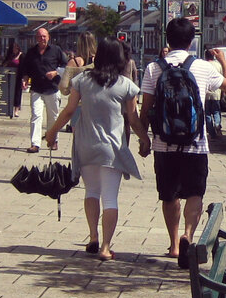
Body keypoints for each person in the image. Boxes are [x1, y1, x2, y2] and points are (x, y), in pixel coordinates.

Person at [44, 39, 151, 261]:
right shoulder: (126, 85)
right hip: (112, 149)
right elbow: (133, 118)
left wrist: (52, 131)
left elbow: (68, 110)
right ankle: (105, 246)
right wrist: (145, 139)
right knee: (110, 198)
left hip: (85, 145)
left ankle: (92, 237)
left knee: (91, 192)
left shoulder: (82, 80)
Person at [139, 18, 226, 258]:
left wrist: (144, 139)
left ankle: (173, 245)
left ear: (167, 39)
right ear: (191, 41)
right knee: (195, 193)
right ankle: (188, 236)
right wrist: (222, 60)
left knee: (169, 194)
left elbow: (146, 109)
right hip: (196, 144)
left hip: (164, 143)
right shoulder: (202, 67)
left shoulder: (154, 68)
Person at [20, 27, 67, 153]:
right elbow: (26, 69)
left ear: (48, 37)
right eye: (40, 36)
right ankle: (35, 143)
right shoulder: (31, 52)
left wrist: (56, 72)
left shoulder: (56, 50)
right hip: (36, 88)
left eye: (44, 36)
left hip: (52, 88)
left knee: (53, 117)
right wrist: (25, 79)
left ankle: (53, 141)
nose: (42, 39)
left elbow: (65, 66)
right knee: (36, 115)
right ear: (36, 38)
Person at [5, 40, 23, 112]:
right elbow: (5, 63)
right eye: (13, 49)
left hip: (18, 76)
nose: (14, 50)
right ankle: (9, 108)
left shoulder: (21, 55)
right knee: (9, 92)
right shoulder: (10, 56)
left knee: (18, 93)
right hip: (9, 76)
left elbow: (23, 65)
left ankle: (16, 109)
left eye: (16, 49)